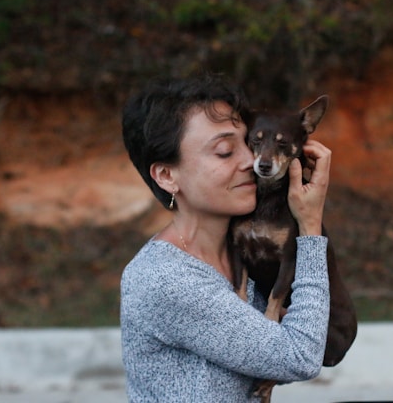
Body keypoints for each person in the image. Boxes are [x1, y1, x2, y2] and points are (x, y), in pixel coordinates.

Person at [120, 73, 333, 402]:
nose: (252, 160)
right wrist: (310, 225)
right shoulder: (167, 279)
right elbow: (299, 357)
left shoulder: (249, 260)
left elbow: (272, 360)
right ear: (166, 176)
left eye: (248, 143)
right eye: (223, 152)